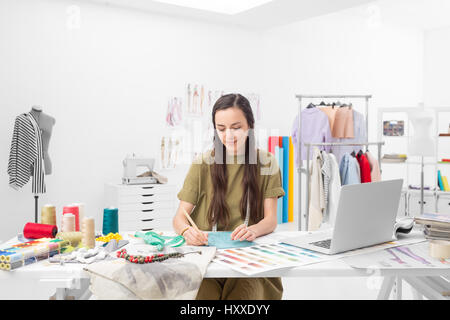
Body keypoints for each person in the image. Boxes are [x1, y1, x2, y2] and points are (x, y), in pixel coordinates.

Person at [172, 93, 285, 300]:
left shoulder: (267, 163)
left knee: (243, 298)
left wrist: (253, 230)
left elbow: (270, 220)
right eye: (221, 129)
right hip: (206, 258)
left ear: (250, 126)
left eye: (236, 127)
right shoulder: (202, 164)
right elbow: (179, 217)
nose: (229, 136)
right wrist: (187, 231)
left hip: (249, 259)